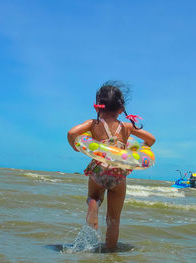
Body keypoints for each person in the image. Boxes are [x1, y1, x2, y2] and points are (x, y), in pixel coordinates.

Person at [67, 81, 156, 250]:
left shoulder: (93, 124)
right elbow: (151, 139)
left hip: (98, 169)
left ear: (97, 107)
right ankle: (110, 253)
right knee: (114, 220)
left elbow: (72, 133)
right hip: (118, 175)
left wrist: (76, 147)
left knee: (94, 197)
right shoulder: (127, 127)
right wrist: (140, 148)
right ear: (121, 110)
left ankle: (93, 206)